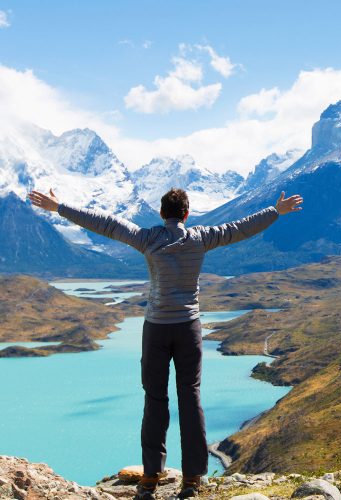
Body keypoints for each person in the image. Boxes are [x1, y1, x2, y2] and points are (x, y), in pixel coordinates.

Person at [27, 187, 303, 499]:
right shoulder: (200, 237)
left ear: (162, 214)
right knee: (191, 399)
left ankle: (150, 477)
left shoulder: (148, 238)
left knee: (155, 400)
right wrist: (275, 211)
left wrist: (60, 206)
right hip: (189, 329)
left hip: (156, 329)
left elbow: (105, 223)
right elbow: (239, 229)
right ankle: (192, 479)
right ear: (187, 214)